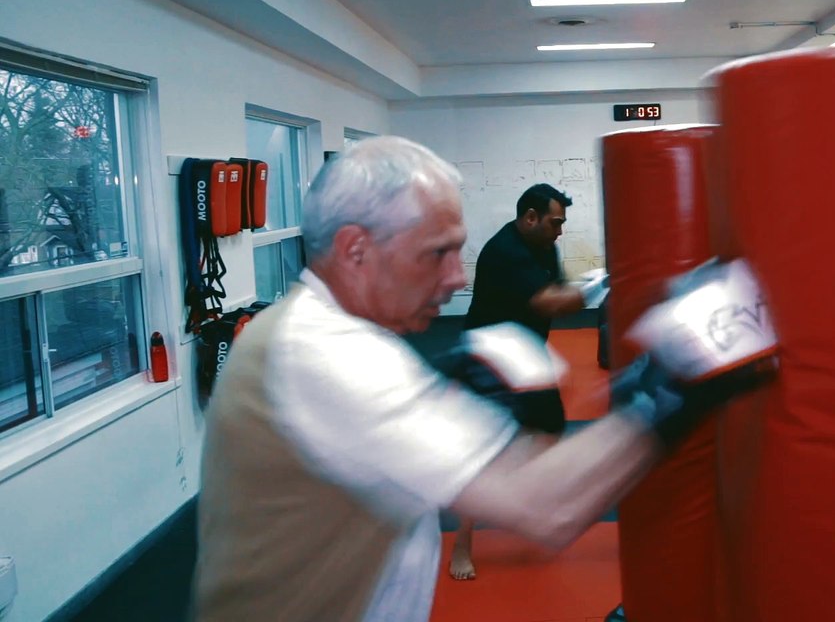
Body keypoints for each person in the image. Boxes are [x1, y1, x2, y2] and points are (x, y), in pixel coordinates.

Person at [190, 136, 773, 622]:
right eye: (436, 254)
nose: (455, 278)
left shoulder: (317, 332)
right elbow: (545, 504)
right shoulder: (325, 354)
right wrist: (679, 376)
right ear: (355, 250)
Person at [450, 182, 603, 580]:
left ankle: (520, 500)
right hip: (489, 359)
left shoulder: (544, 244)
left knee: (550, 429)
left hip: (529, 356)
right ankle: (461, 543)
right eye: (555, 223)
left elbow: (558, 287)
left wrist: (593, 280)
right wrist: (606, 282)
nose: (560, 231)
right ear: (530, 217)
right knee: (481, 451)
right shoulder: (505, 252)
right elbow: (551, 301)